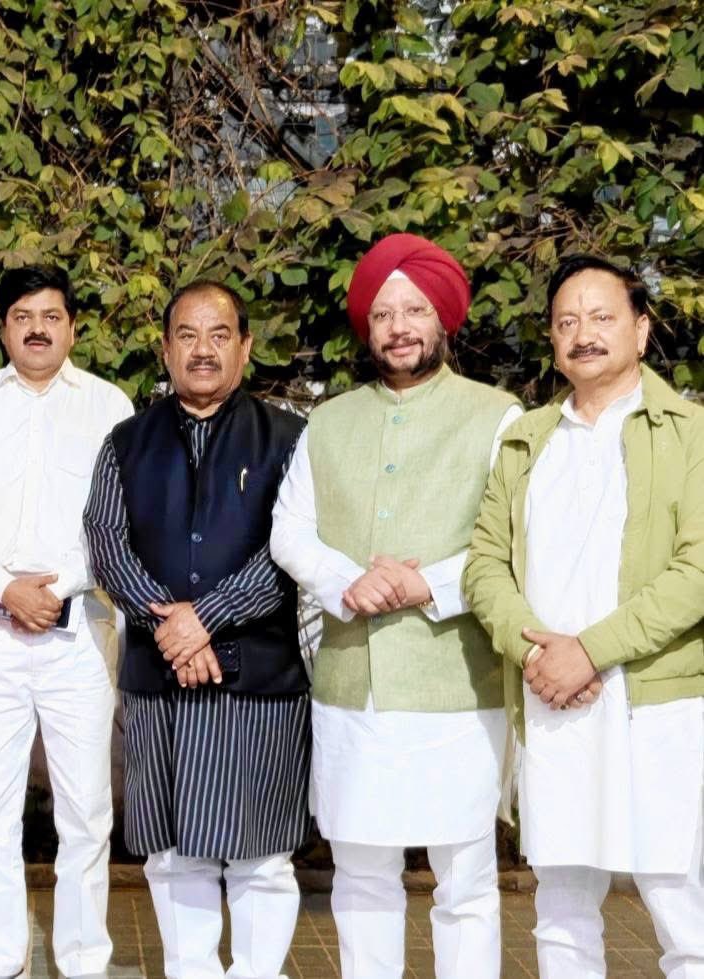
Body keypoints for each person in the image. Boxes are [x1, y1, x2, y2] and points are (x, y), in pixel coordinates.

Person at [269, 232, 521, 978]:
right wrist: (348, 578)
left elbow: (515, 538)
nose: (400, 327)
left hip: (457, 685)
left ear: (443, 319)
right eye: (383, 314)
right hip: (353, 685)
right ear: (367, 328)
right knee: (362, 874)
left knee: (464, 879)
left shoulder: (498, 416)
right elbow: (289, 528)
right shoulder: (328, 422)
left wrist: (426, 583)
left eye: (415, 310)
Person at [465, 254, 704, 979]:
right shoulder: (526, 440)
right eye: (567, 321)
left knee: (681, 902)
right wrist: (540, 656)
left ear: (641, 328)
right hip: (553, 701)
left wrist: (590, 651)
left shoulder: (692, 433)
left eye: (602, 317)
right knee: (563, 906)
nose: (584, 334)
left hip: (655, 702)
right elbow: (484, 565)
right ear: (552, 337)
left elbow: (697, 571)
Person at [83, 280, 309, 979]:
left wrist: (204, 618)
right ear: (165, 349)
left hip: (260, 682)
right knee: (173, 852)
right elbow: (107, 543)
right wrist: (172, 627)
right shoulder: (126, 441)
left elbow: (293, 550)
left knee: (261, 857)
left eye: (219, 335)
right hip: (159, 680)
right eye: (187, 335)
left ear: (245, 346)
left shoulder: (290, 439)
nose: (203, 350)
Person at [0, 265, 133, 979]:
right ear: (3, 330)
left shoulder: (109, 406)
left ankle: (82, 960)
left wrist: (57, 589)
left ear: (73, 328)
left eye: (51, 316)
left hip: (78, 631)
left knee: (85, 812)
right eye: (22, 316)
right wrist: (4, 587)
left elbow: (117, 518)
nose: (37, 329)